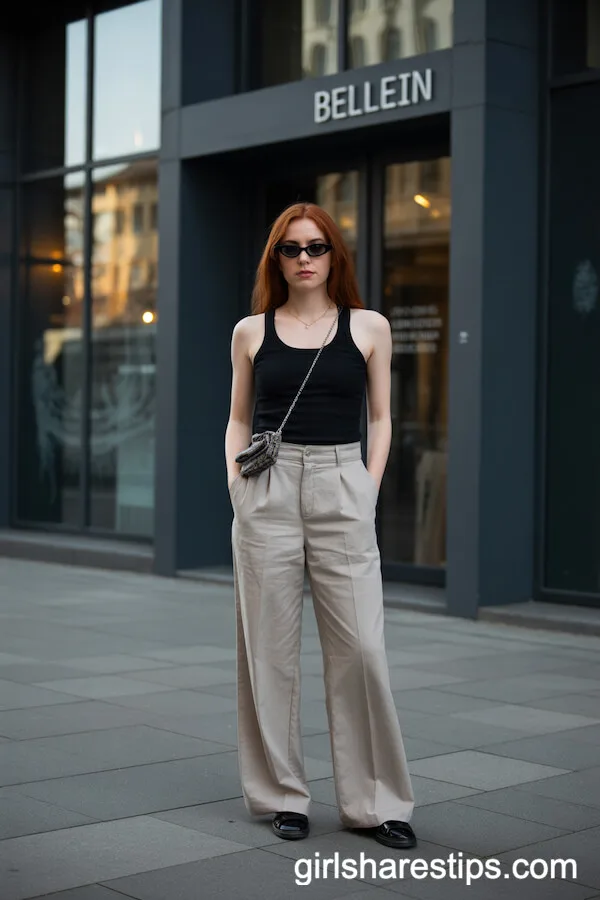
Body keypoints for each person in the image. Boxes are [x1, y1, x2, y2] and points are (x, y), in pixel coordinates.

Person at [224, 202, 416, 849]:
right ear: (275, 258)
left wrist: (367, 485)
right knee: (269, 653)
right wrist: (237, 488)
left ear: (335, 255)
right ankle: (283, 794)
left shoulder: (369, 327)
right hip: (267, 488)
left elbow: (383, 417)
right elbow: (237, 417)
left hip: (342, 482)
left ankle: (375, 801)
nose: (304, 258)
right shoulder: (251, 331)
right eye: (291, 248)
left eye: (316, 247)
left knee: (361, 648)